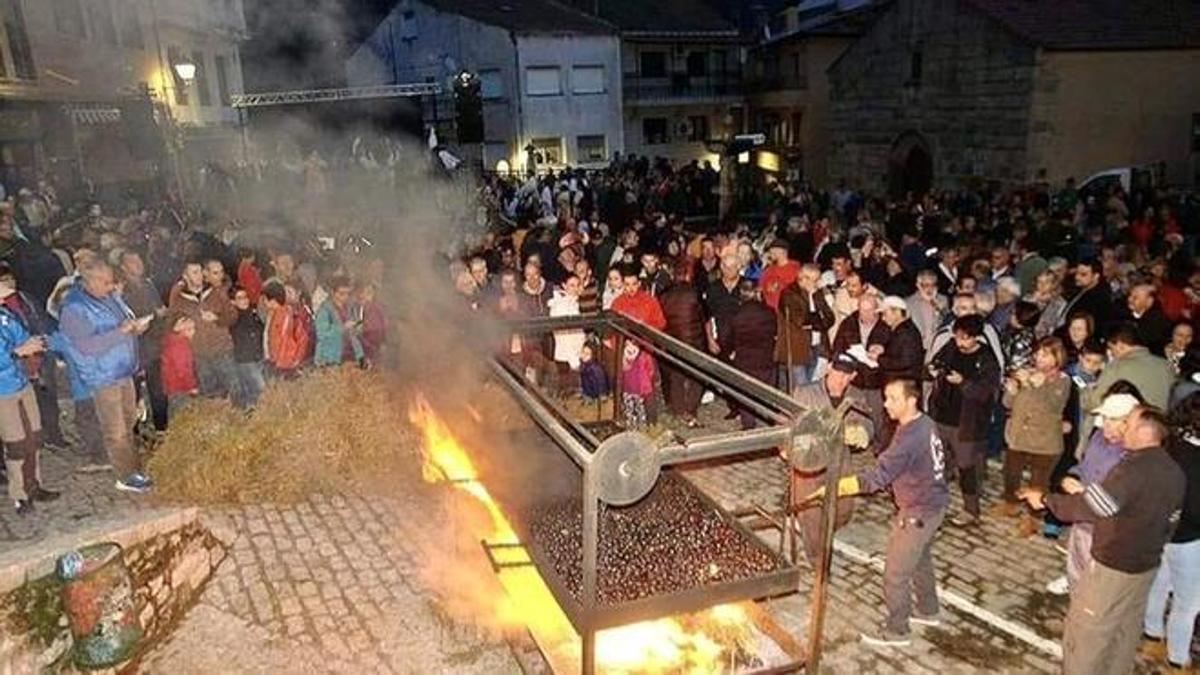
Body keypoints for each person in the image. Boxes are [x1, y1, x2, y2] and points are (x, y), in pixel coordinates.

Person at [1021, 407, 1185, 675]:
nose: (1122, 429)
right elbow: (1172, 522)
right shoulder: (1173, 471)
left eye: (1128, 424)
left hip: (1112, 569)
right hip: (1144, 568)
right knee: (1123, 632)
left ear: (1144, 432)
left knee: (1087, 635)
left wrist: (1045, 500)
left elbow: (1092, 505)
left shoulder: (1133, 469)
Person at [817, 379, 949, 647]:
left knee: (895, 573)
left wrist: (835, 488)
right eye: (886, 397)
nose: (886, 404)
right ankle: (929, 609)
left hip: (918, 511)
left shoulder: (910, 437)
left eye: (892, 398)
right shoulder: (924, 423)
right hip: (934, 504)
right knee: (920, 558)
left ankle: (897, 630)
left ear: (911, 401)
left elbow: (877, 477)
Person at [58, 260, 152, 493]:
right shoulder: (74, 308)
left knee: (129, 422)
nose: (112, 286)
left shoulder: (107, 297)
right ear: (90, 281)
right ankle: (125, 475)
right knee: (116, 429)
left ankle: (133, 467)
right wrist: (120, 333)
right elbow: (86, 346)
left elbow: (121, 324)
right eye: (107, 282)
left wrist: (134, 328)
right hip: (103, 375)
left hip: (123, 370)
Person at [790, 353, 875, 562]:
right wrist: (785, 447)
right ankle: (817, 559)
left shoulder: (856, 396)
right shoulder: (805, 392)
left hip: (840, 463)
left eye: (847, 375)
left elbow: (867, 421)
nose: (841, 379)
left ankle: (823, 531)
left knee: (844, 511)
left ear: (853, 375)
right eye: (837, 372)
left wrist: (864, 431)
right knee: (812, 514)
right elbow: (786, 422)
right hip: (809, 465)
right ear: (828, 368)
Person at [1141, 393, 1200, 672]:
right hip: (1189, 538)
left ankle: (1152, 635)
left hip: (1161, 530)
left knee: (1160, 582)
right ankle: (1178, 658)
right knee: (1188, 602)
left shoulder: (1171, 445)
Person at [994, 336, 1071, 537]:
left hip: (1045, 442)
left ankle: (1033, 519)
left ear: (1057, 357)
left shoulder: (1062, 381)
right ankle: (1010, 504)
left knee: (1038, 483)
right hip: (1018, 436)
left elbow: (1054, 406)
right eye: (1037, 353)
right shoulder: (1028, 374)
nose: (1039, 358)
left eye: (1045, 355)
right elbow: (1008, 404)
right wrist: (1011, 390)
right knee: (1011, 473)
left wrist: (1040, 385)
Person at [927, 315, 999, 526]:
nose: (960, 342)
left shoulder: (986, 359)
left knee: (967, 467)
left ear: (976, 337)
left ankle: (971, 509)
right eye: (957, 337)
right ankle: (933, 504)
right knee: (937, 463)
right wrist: (934, 370)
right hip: (942, 416)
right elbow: (936, 362)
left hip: (966, 423)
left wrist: (963, 383)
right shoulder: (951, 347)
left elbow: (986, 392)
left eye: (965, 338)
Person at [0, 306, 56, 514]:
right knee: (15, 444)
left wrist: (33, 344)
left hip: (21, 383)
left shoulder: (5, 315)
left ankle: (34, 485)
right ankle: (19, 496)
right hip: (3, 391)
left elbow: (21, 337)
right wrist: (15, 353)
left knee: (34, 436)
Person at [168, 260, 238, 398]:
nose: (200, 275)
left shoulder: (215, 292)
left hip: (222, 350)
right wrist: (177, 327)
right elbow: (171, 324)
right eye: (194, 273)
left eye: (200, 271)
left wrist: (217, 317)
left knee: (235, 390)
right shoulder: (180, 300)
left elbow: (233, 316)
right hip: (199, 355)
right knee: (210, 395)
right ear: (185, 276)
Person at [776, 263, 834, 389]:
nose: (818, 283)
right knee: (800, 389)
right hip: (798, 349)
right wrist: (819, 320)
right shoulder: (789, 294)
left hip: (817, 347)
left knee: (811, 387)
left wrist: (815, 298)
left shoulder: (817, 293)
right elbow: (800, 320)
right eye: (816, 280)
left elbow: (830, 319)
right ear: (804, 279)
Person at [728, 279, 777, 429]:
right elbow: (775, 332)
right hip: (765, 356)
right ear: (757, 293)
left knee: (745, 390)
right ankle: (770, 417)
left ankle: (748, 423)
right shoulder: (768, 312)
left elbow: (730, 335)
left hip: (744, 357)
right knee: (767, 388)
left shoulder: (736, 313)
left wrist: (731, 350)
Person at [659, 275, 705, 426]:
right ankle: (691, 410)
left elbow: (662, 320)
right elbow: (702, 314)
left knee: (677, 375)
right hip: (693, 341)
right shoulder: (693, 293)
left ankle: (678, 408)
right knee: (697, 377)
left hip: (674, 340)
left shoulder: (665, 295)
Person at [313, 275, 365, 367]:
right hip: (330, 357)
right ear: (333, 292)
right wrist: (343, 328)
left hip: (351, 354)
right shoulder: (324, 310)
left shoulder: (350, 307)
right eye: (341, 293)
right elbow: (322, 334)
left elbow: (355, 333)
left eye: (348, 294)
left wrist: (357, 328)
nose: (345, 297)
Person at [230, 287, 266, 407]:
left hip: (258, 357)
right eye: (239, 298)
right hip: (245, 360)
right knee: (259, 388)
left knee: (255, 390)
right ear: (233, 302)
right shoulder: (233, 318)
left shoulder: (254, 314)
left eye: (245, 297)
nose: (244, 300)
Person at [160, 316, 199, 414]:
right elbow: (183, 370)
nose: (194, 332)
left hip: (171, 386)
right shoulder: (179, 345)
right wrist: (192, 386)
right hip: (178, 387)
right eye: (190, 329)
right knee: (181, 414)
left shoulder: (171, 340)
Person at [610, 264, 666, 331]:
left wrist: (646, 326)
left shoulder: (651, 301)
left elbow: (661, 323)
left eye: (634, 284)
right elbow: (613, 327)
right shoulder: (617, 303)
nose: (631, 288)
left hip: (645, 339)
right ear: (623, 284)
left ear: (639, 283)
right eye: (627, 284)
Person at [906, 269, 946, 353]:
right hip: (917, 346)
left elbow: (947, 323)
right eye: (926, 285)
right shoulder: (909, 302)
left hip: (938, 346)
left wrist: (938, 308)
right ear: (918, 285)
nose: (930, 289)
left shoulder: (943, 300)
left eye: (933, 285)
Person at [619, 341, 654, 428]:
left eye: (633, 345)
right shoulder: (622, 357)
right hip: (627, 388)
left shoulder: (644, 356)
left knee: (640, 409)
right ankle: (630, 426)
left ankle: (642, 426)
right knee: (629, 409)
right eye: (627, 345)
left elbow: (650, 370)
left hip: (639, 389)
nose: (630, 347)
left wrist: (646, 382)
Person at [759, 239, 800, 310]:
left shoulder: (796, 268)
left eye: (773, 251)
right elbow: (760, 288)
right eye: (770, 251)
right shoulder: (768, 270)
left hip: (787, 310)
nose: (770, 253)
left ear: (783, 252)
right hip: (768, 311)